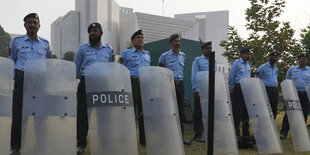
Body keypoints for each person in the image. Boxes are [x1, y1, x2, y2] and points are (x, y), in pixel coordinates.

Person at [8, 13, 51, 155]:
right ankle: (16, 146)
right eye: (29, 22)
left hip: (39, 82)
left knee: (40, 115)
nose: (32, 25)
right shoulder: (16, 41)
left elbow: (48, 63)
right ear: (25, 25)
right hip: (22, 80)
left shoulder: (45, 44)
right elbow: (11, 60)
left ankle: (41, 145)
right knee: (19, 115)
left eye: (35, 22)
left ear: (39, 26)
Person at [74, 22, 114, 154]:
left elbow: (111, 68)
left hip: (103, 85)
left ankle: (104, 143)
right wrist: (85, 78)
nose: (92, 33)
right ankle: (81, 144)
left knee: (104, 115)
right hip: (86, 83)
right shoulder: (82, 48)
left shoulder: (108, 49)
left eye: (95, 30)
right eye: (90, 31)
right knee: (83, 115)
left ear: (101, 33)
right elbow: (76, 68)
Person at [158, 33, 190, 145]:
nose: (178, 43)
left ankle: (180, 137)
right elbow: (161, 72)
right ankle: (167, 137)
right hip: (168, 85)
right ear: (170, 43)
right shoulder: (164, 56)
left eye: (179, 41)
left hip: (180, 85)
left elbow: (183, 68)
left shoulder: (183, 56)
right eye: (175, 41)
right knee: (168, 110)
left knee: (180, 111)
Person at [120, 30, 150, 145]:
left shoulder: (147, 54)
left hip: (144, 84)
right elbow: (121, 69)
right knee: (129, 111)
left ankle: (143, 139)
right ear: (133, 41)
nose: (141, 39)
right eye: (138, 37)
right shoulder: (126, 53)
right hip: (131, 83)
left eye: (142, 37)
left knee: (143, 112)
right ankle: (128, 139)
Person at [279, 53, 310, 139]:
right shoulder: (292, 69)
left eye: (304, 58)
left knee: (304, 114)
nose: (302, 60)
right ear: (298, 60)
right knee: (289, 114)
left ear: (306, 60)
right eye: (300, 58)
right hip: (293, 94)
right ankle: (283, 133)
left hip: (306, 95)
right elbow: (287, 81)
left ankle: (300, 134)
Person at [191, 41, 217, 143]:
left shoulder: (213, 61)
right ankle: (198, 135)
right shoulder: (198, 60)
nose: (209, 50)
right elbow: (194, 76)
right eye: (207, 48)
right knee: (198, 113)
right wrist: (196, 90)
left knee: (210, 112)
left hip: (210, 89)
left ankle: (209, 134)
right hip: (200, 90)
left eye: (210, 48)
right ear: (203, 50)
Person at [228, 47, 251, 137]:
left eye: (249, 54)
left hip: (247, 88)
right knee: (237, 112)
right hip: (238, 88)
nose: (248, 55)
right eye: (246, 54)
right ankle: (236, 133)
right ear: (241, 54)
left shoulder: (248, 64)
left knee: (246, 111)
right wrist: (233, 88)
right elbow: (231, 77)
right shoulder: (236, 63)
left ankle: (246, 133)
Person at [255, 52, 279, 119]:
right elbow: (257, 78)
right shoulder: (262, 67)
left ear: (277, 58)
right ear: (268, 57)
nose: (273, 58)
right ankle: (263, 124)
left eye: (275, 57)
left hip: (275, 91)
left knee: (274, 109)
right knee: (265, 109)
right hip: (266, 90)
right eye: (271, 57)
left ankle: (272, 125)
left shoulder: (276, 68)